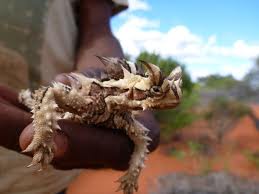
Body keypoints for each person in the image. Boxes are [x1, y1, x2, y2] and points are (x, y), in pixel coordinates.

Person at [0, 0, 160, 194]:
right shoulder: (88, 100)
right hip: (49, 109)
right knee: (32, 98)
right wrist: (43, 130)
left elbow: (141, 142)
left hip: (41, 181)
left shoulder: (125, 118)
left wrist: (132, 173)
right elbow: (53, 92)